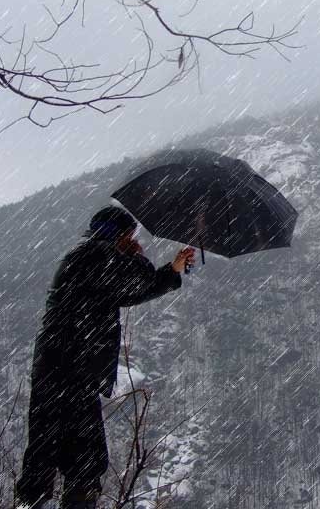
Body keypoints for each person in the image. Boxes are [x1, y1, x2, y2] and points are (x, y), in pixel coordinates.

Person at [15, 206, 195, 509]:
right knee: (85, 457)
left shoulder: (86, 257)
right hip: (72, 370)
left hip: (61, 367)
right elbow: (136, 284)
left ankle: (33, 502)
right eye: (129, 235)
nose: (134, 240)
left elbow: (129, 292)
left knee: (47, 449)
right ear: (115, 234)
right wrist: (139, 258)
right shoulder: (96, 256)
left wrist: (171, 270)